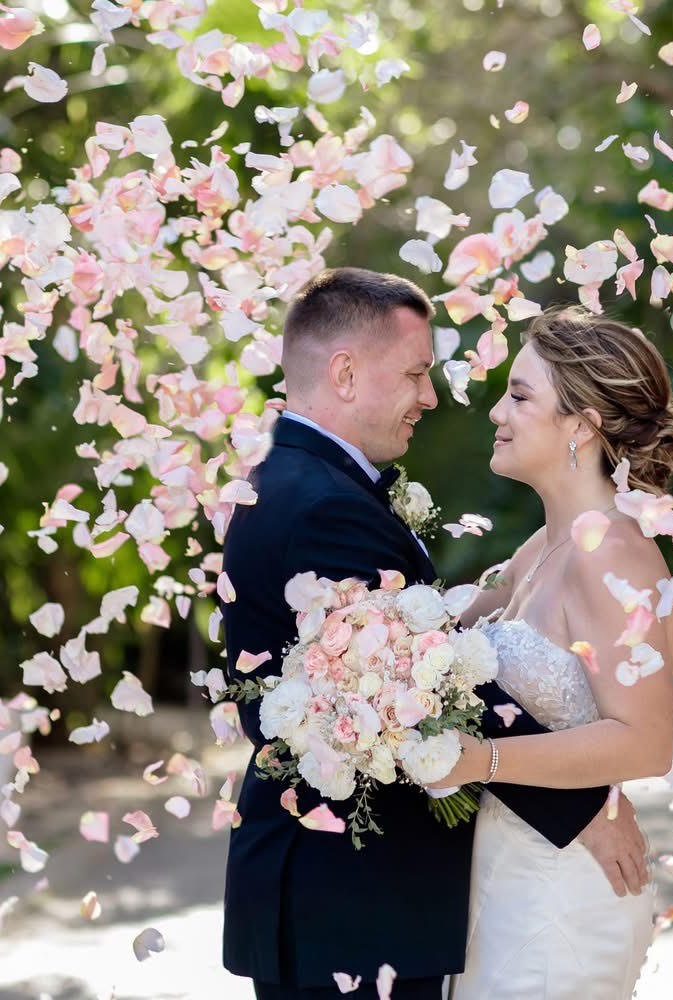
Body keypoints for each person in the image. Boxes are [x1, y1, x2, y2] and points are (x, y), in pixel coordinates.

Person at [219, 270, 651, 999]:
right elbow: (423, 681)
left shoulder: (304, 482)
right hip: (350, 904)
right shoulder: (324, 504)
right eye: (416, 373)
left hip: (351, 905)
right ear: (346, 373)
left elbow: (415, 651)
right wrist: (583, 806)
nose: (432, 396)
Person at [432, 306, 673, 999]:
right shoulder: (544, 546)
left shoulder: (611, 553)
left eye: (520, 396)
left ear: (582, 425)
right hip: (505, 875)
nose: (498, 411)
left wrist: (480, 759)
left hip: (562, 900)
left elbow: (647, 742)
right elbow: (434, 646)